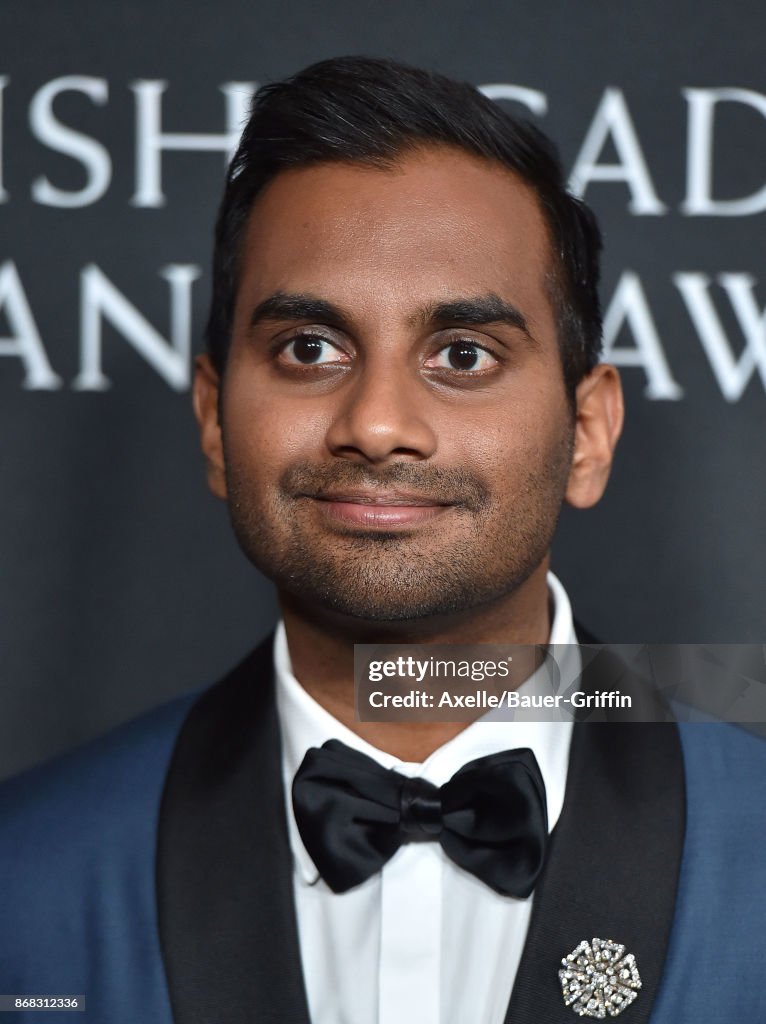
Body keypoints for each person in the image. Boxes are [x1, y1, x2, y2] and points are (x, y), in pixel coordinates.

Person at [1, 56, 764, 1024]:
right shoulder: (22, 877)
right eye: (308, 349)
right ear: (212, 421)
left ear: (587, 432)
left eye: (462, 354)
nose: (375, 421)